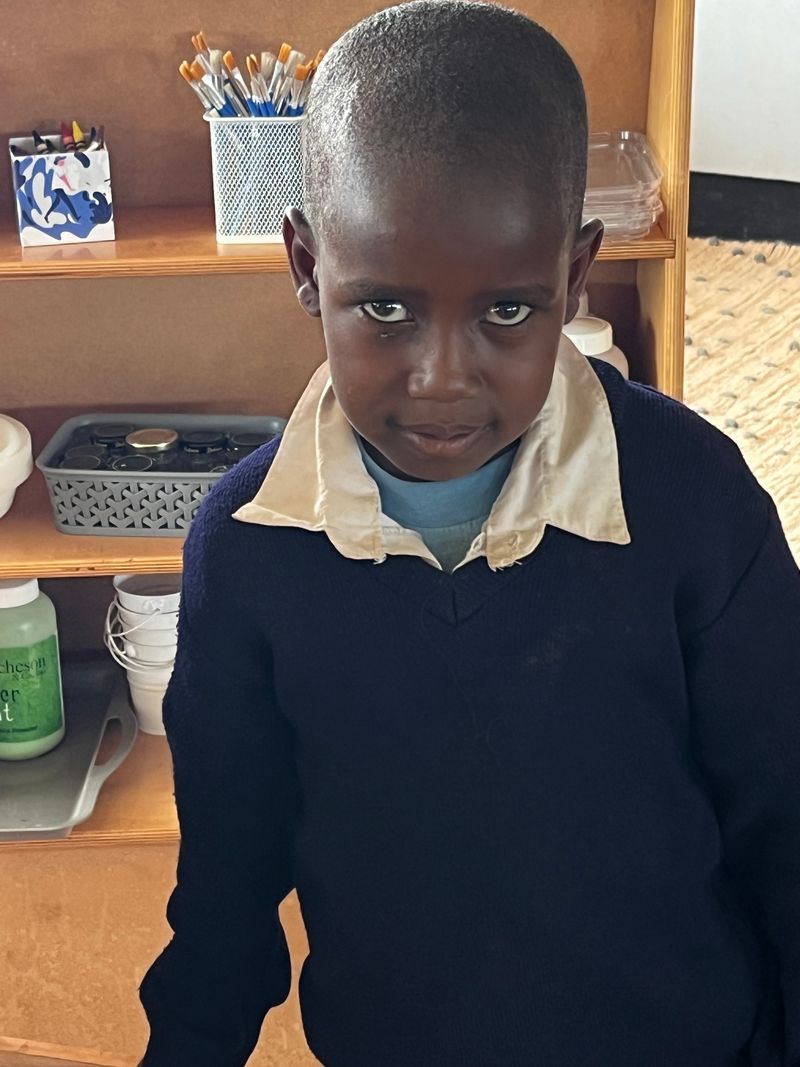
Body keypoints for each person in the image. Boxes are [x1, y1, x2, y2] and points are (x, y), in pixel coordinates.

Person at [138, 2, 800, 1064]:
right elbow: (225, 883)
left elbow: (785, 817)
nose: (441, 378)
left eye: (506, 312)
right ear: (307, 267)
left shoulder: (690, 500)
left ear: (574, 275)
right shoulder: (249, 548)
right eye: (385, 309)